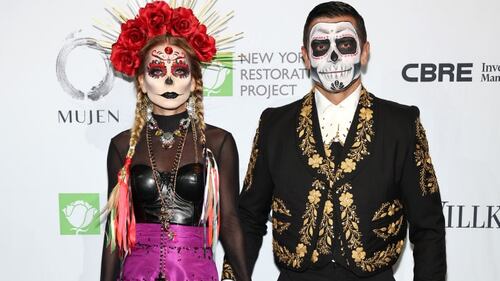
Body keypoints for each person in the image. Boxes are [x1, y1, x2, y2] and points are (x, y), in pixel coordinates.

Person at [222, 2, 446, 281]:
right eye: (320, 47)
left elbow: (428, 226)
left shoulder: (401, 124)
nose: (333, 57)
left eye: (345, 44)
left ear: (364, 52)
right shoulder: (274, 124)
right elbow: (249, 219)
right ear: (305, 57)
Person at [98, 2, 250, 281]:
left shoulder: (217, 143)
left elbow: (228, 221)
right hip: (137, 274)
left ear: (194, 82)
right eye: (156, 72)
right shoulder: (122, 146)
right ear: (141, 82)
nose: (169, 80)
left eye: (180, 71)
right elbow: (114, 229)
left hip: (195, 273)